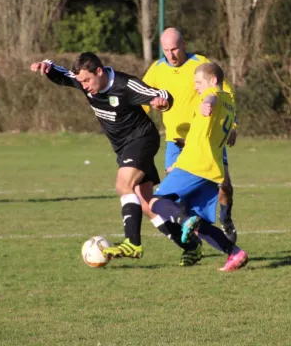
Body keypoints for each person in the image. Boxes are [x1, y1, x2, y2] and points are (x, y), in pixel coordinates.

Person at [30, 52, 202, 265]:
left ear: (99, 72)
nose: (83, 86)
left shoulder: (125, 85)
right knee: (148, 204)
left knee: (123, 185)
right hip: (124, 148)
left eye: (87, 80)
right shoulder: (85, 81)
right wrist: (46, 66)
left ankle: (132, 244)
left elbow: (162, 95)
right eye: (81, 81)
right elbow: (63, 74)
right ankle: (191, 246)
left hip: (142, 140)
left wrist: (161, 102)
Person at [149, 62, 248, 272]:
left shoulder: (213, 96)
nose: (195, 86)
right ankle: (235, 253)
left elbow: (211, 96)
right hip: (213, 169)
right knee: (200, 224)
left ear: (212, 81)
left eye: (198, 82)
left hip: (195, 165)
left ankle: (185, 221)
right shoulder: (229, 102)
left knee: (156, 202)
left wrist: (207, 104)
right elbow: (208, 133)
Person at [143, 27, 238, 243]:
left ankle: (226, 219)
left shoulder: (200, 64)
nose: (171, 55)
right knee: (177, 197)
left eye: (175, 49)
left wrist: (234, 125)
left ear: (184, 45)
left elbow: (224, 93)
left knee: (225, 188)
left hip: (206, 140)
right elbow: (143, 98)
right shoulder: (157, 69)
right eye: (166, 50)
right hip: (175, 142)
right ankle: (192, 247)